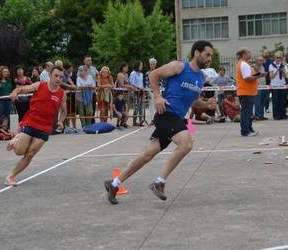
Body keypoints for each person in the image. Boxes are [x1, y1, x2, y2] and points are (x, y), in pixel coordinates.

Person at [104, 40, 213, 205]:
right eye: (207, 55)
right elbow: (153, 75)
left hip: (175, 118)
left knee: (146, 155)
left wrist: (206, 104)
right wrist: (157, 96)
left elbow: (194, 101)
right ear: (197, 53)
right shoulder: (179, 66)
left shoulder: (200, 77)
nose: (210, 59)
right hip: (166, 115)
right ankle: (159, 182)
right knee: (186, 144)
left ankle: (114, 183)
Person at [5, 66, 67, 186]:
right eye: (56, 76)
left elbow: (63, 111)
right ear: (50, 75)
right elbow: (24, 89)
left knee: (30, 154)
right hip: (31, 122)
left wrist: (60, 121)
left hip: (45, 127)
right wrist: (15, 92)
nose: (58, 79)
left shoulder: (62, 94)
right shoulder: (40, 85)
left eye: (60, 77)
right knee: (19, 151)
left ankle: (10, 176)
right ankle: (15, 141)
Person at [236, 48, 265, 137]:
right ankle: (245, 131)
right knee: (246, 112)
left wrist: (258, 74)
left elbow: (249, 76)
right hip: (246, 91)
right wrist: (258, 76)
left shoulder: (244, 64)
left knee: (248, 112)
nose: (250, 53)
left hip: (247, 91)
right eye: (248, 52)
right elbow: (247, 78)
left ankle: (249, 129)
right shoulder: (244, 64)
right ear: (244, 54)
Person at [269, 51, 288, 120]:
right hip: (275, 85)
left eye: (280, 58)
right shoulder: (271, 65)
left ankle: (282, 114)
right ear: (274, 58)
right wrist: (277, 70)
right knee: (275, 101)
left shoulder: (283, 65)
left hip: (282, 84)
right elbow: (271, 76)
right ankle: (276, 115)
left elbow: (286, 76)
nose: (278, 59)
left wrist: (283, 71)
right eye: (277, 57)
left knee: (282, 100)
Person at [62, 63, 77, 129]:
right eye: (71, 67)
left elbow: (71, 81)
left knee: (73, 111)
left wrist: (73, 86)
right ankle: (67, 126)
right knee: (66, 110)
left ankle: (74, 126)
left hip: (72, 94)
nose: (72, 69)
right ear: (68, 68)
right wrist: (72, 86)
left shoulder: (70, 74)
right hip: (66, 94)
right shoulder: (63, 73)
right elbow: (63, 83)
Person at [84, 56, 99, 124]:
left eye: (90, 60)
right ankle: (87, 122)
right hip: (85, 92)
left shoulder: (94, 68)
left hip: (93, 91)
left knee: (93, 106)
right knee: (87, 107)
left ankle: (92, 120)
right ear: (84, 61)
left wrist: (97, 83)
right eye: (88, 60)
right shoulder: (81, 68)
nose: (89, 61)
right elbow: (79, 78)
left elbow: (98, 75)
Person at [130, 61, 145, 126]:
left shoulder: (141, 74)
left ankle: (140, 121)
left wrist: (142, 88)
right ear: (137, 66)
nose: (142, 66)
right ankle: (134, 121)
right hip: (135, 92)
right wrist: (138, 88)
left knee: (141, 107)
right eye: (140, 65)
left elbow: (141, 83)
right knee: (136, 107)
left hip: (141, 92)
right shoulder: (133, 73)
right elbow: (132, 83)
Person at [253, 56, 269, 121]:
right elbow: (254, 75)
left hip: (264, 86)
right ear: (257, 61)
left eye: (262, 60)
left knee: (263, 101)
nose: (261, 61)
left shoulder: (263, 67)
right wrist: (261, 74)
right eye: (260, 60)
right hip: (258, 87)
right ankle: (257, 115)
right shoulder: (254, 67)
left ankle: (261, 115)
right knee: (257, 102)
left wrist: (264, 74)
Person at [262, 49, 272, 113]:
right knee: (261, 95)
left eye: (267, 53)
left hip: (268, 80)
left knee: (267, 96)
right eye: (265, 53)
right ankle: (261, 108)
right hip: (262, 80)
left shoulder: (270, 61)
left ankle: (267, 108)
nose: (266, 54)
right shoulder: (261, 61)